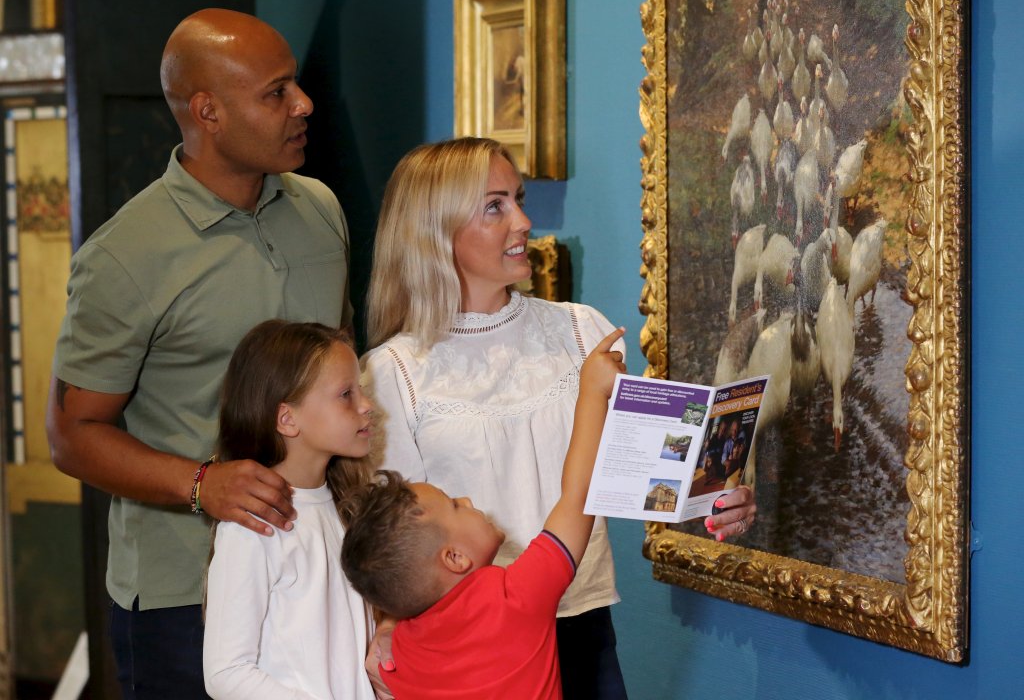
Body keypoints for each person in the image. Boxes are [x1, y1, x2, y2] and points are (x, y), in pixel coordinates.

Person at [360, 137, 757, 699]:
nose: (524, 220)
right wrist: (384, 627)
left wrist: (716, 499)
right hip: (469, 652)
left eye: (518, 198)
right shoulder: (390, 373)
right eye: (494, 206)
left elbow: (654, 477)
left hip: (585, 628)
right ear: (435, 231)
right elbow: (382, 539)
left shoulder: (580, 330)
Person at [45, 8, 353, 698]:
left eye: (294, 85)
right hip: (184, 595)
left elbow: (344, 377)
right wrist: (199, 484)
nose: (303, 105)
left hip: (321, 567)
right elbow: (70, 435)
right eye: (276, 92)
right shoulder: (124, 256)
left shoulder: (322, 211)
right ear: (208, 111)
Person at [342, 328, 627, 699]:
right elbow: (578, 496)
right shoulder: (514, 599)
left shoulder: (401, 656)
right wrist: (591, 391)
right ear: (456, 558)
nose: (467, 499)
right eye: (455, 505)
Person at [204, 320, 375, 699]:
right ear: (287, 418)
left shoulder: (346, 508)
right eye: (346, 394)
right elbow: (226, 672)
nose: (366, 406)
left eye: (360, 390)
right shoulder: (253, 524)